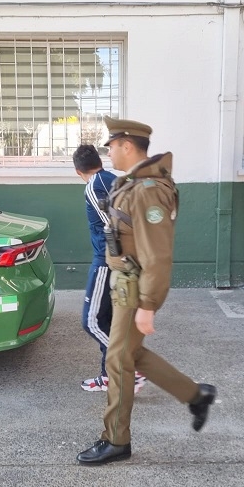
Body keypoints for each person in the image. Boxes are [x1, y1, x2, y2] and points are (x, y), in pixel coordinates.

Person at [76, 116, 217, 466]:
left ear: (127, 146)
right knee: (130, 356)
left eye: (111, 147)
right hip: (125, 283)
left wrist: (149, 304)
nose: (108, 153)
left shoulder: (149, 189)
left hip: (135, 287)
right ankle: (195, 396)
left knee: (117, 359)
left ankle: (116, 439)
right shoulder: (133, 184)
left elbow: (158, 253)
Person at [72, 144, 145, 394]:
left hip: (106, 261)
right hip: (120, 260)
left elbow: (117, 226)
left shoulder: (94, 185)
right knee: (108, 320)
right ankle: (108, 376)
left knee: (91, 321)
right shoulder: (114, 179)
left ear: (77, 170)